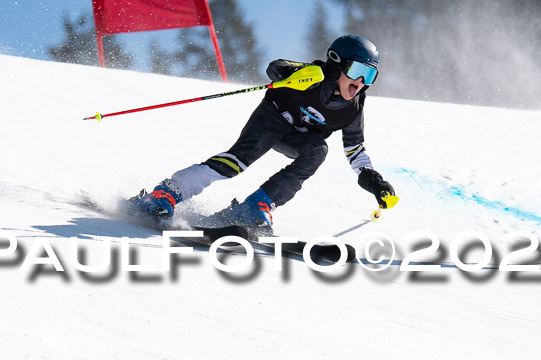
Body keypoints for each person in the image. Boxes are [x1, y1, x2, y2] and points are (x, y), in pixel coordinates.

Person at [128, 35, 397, 233]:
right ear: (337, 64)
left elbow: (355, 150)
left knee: (318, 150)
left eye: (370, 75)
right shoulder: (313, 74)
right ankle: (167, 193)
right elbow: (275, 67)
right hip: (272, 118)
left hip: (298, 138)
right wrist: (294, 73)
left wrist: (375, 182)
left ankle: (257, 206)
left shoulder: (352, 109)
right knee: (237, 162)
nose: (361, 83)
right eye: (358, 71)